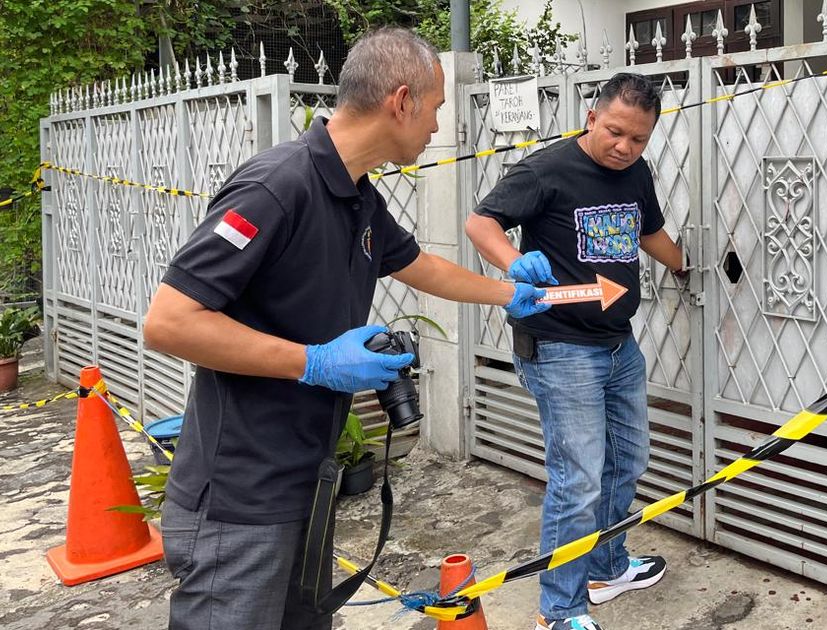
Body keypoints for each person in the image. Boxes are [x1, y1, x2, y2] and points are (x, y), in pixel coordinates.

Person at [142, 27, 548, 630]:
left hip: (308, 481)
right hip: (241, 494)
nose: (437, 126)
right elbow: (169, 323)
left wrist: (511, 294)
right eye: (435, 109)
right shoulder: (277, 186)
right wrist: (315, 362)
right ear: (402, 100)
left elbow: (421, 266)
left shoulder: (357, 193)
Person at [465, 72, 686, 630]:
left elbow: (648, 231)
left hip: (618, 346)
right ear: (592, 117)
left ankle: (606, 567)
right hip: (560, 347)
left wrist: (684, 263)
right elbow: (480, 221)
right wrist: (513, 262)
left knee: (627, 460)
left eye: (638, 139)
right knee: (578, 478)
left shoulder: (635, 173)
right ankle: (558, 610)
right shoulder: (547, 169)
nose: (624, 147)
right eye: (615, 132)